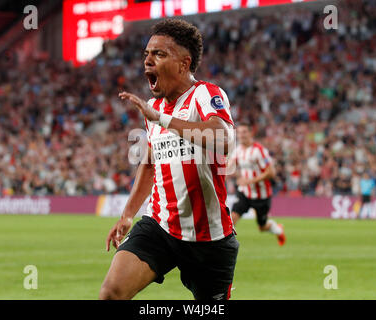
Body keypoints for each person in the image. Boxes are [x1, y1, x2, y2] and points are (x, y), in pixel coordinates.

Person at [99, 19, 239, 300]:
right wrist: (128, 215)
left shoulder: (205, 95)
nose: (148, 61)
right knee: (111, 294)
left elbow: (224, 140)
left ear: (183, 64)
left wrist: (162, 119)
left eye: (159, 54)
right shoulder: (153, 108)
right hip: (160, 226)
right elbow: (150, 163)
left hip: (208, 238)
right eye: (146, 55)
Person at [228, 122, 286, 246]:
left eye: (244, 132)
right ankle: (226, 249)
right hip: (244, 192)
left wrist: (250, 181)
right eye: (239, 132)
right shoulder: (238, 150)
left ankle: (278, 229)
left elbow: (271, 172)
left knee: (262, 227)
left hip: (262, 196)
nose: (241, 135)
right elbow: (231, 166)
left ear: (251, 133)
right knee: (231, 219)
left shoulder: (259, 150)